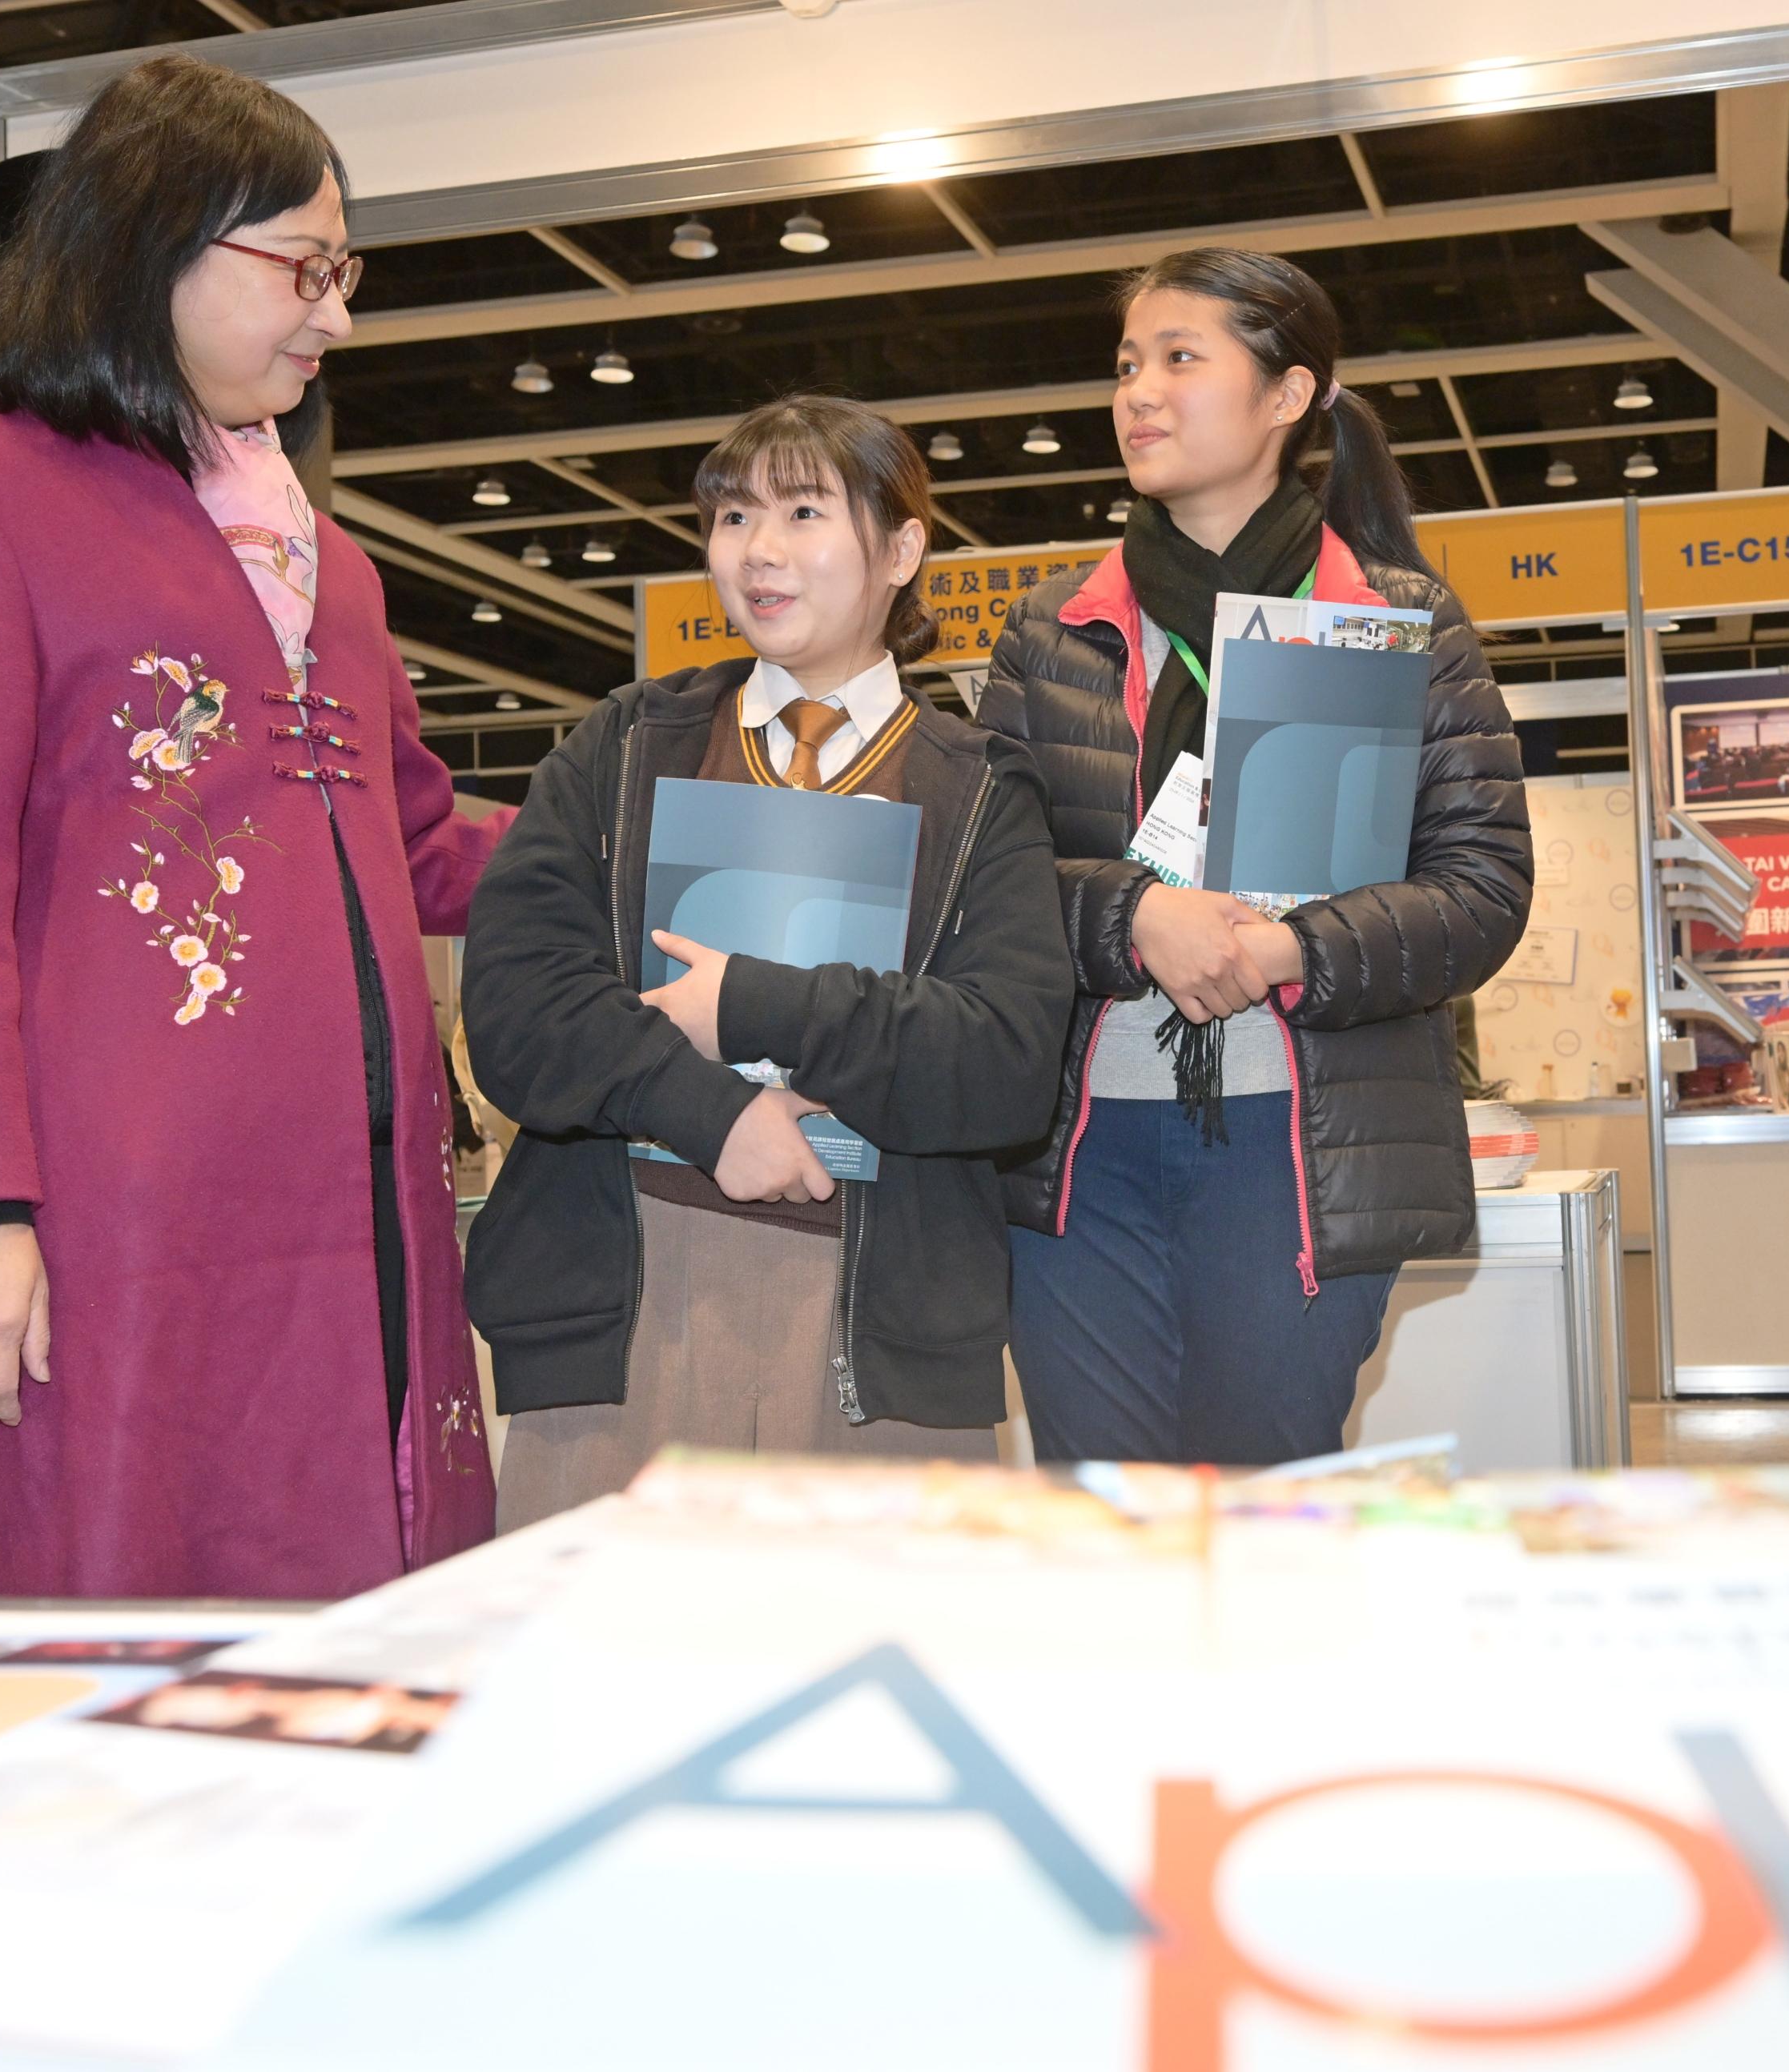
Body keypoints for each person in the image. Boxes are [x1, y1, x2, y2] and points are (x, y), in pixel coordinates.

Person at [0, 56, 505, 1598]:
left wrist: (677, 834)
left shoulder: (329, 554)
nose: (337, 315)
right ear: (153, 243)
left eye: (347, 274)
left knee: (366, 1602)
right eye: (305, 269)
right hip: (113, 1206)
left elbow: (417, 845)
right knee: (130, 1608)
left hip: (369, 1201)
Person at [463, 396, 1072, 1524]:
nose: (759, 551)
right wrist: (712, 1113)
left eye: (802, 511)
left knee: (868, 1682)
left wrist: (752, 1002)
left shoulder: (977, 785)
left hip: (873, 1322)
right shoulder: (626, 746)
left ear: (899, 549)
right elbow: (513, 1007)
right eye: (734, 517)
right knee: (610, 1676)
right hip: (626, 1302)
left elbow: (1004, 1060)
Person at [979, 247, 1533, 1467]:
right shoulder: (1053, 631)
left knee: (1262, 1504)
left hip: (1303, 1145)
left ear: (1286, 396)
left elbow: (1481, 884)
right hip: (1078, 1161)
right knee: (1104, 1520)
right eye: (1127, 364)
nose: (1136, 393)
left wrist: (1293, 948)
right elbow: (980, 879)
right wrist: (1131, 918)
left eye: (1180, 358)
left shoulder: (1397, 621)